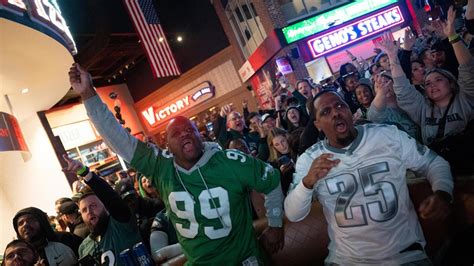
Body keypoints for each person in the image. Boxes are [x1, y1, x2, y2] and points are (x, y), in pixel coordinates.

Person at [68, 63, 284, 264]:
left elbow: (271, 181)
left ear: (201, 136)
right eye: (176, 133)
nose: (185, 135)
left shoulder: (229, 160)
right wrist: (88, 94)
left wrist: (275, 225)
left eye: (190, 130)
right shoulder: (161, 167)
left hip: (245, 259)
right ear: (167, 146)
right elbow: (119, 139)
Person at [285, 90, 454, 265]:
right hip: (346, 260)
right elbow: (293, 214)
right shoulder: (309, 159)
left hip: (403, 255)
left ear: (350, 111)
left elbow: (433, 163)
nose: (335, 113)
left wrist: (443, 192)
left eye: (339, 105)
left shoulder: (387, 135)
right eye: (326, 112)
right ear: (318, 124)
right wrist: (308, 182)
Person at [378, 8, 474, 173]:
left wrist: (452, 36)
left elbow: (467, 68)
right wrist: (393, 58)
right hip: (440, 173)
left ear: (451, 83)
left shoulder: (466, 98)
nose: (432, 85)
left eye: (438, 80)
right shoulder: (423, 109)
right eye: (428, 83)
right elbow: (403, 89)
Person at [62, 155, 143, 265]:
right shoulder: (84, 248)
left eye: (93, 206)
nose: (89, 211)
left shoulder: (121, 224)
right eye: (84, 210)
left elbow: (110, 197)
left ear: (106, 208)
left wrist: (84, 173)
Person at [12, 207, 82, 265]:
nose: (25, 225)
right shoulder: (18, 256)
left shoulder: (65, 239)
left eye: (31, 220)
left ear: (42, 222)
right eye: (20, 223)